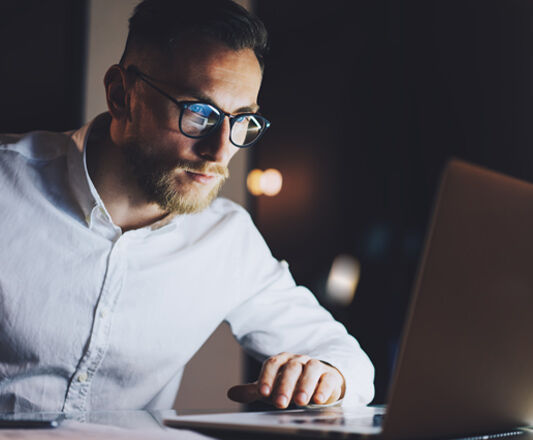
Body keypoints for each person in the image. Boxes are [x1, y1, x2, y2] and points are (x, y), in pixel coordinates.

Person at [0, 0, 374, 413]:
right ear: (121, 95)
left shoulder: (227, 237)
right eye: (199, 113)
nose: (220, 150)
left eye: (242, 120)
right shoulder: (7, 185)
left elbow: (347, 361)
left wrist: (324, 375)